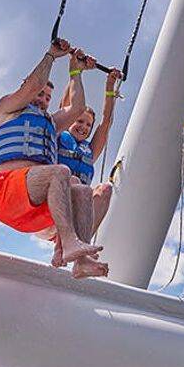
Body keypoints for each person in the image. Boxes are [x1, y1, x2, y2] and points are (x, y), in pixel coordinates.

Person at [0, 39, 108, 278]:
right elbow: (32, 86)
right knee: (60, 171)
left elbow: (77, 108)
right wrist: (51, 55)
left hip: (34, 209)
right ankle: (70, 242)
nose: (42, 100)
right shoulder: (7, 109)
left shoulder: (51, 124)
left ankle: (80, 260)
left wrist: (76, 72)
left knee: (80, 187)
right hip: (7, 195)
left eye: (47, 98)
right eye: (40, 94)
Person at [53, 66, 122, 239]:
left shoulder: (90, 150)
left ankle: (82, 242)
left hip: (77, 210)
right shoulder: (59, 135)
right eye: (79, 121)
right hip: (54, 202)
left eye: (88, 125)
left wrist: (110, 85)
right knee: (73, 181)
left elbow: (106, 122)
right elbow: (66, 106)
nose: (83, 127)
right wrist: (77, 71)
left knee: (105, 189)